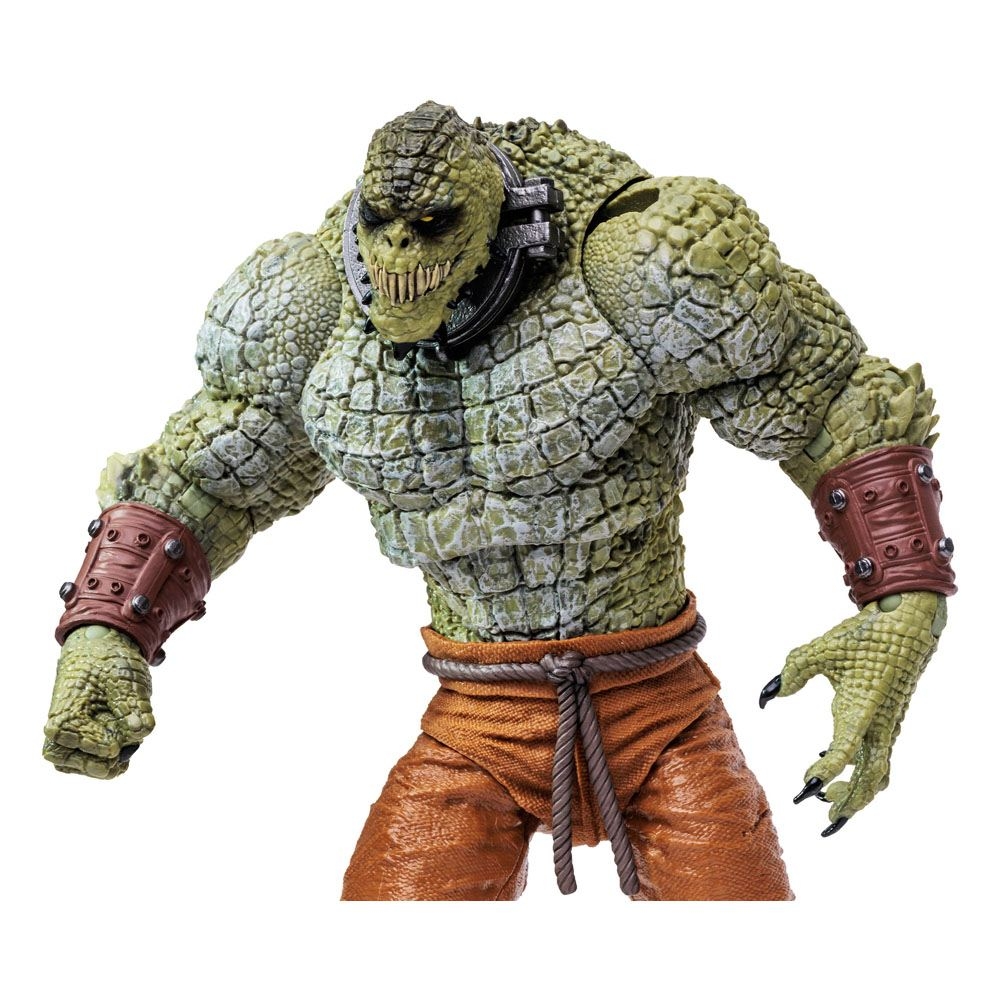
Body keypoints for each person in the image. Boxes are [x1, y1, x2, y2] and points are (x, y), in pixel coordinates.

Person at [45, 102, 955, 900]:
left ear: (499, 219)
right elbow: (202, 479)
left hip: (662, 711)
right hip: (477, 721)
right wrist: (105, 633)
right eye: (381, 225)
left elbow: (830, 401)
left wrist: (904, 605)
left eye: (432, 226)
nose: (397, 254)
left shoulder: (632, 268)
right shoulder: (316, 312)